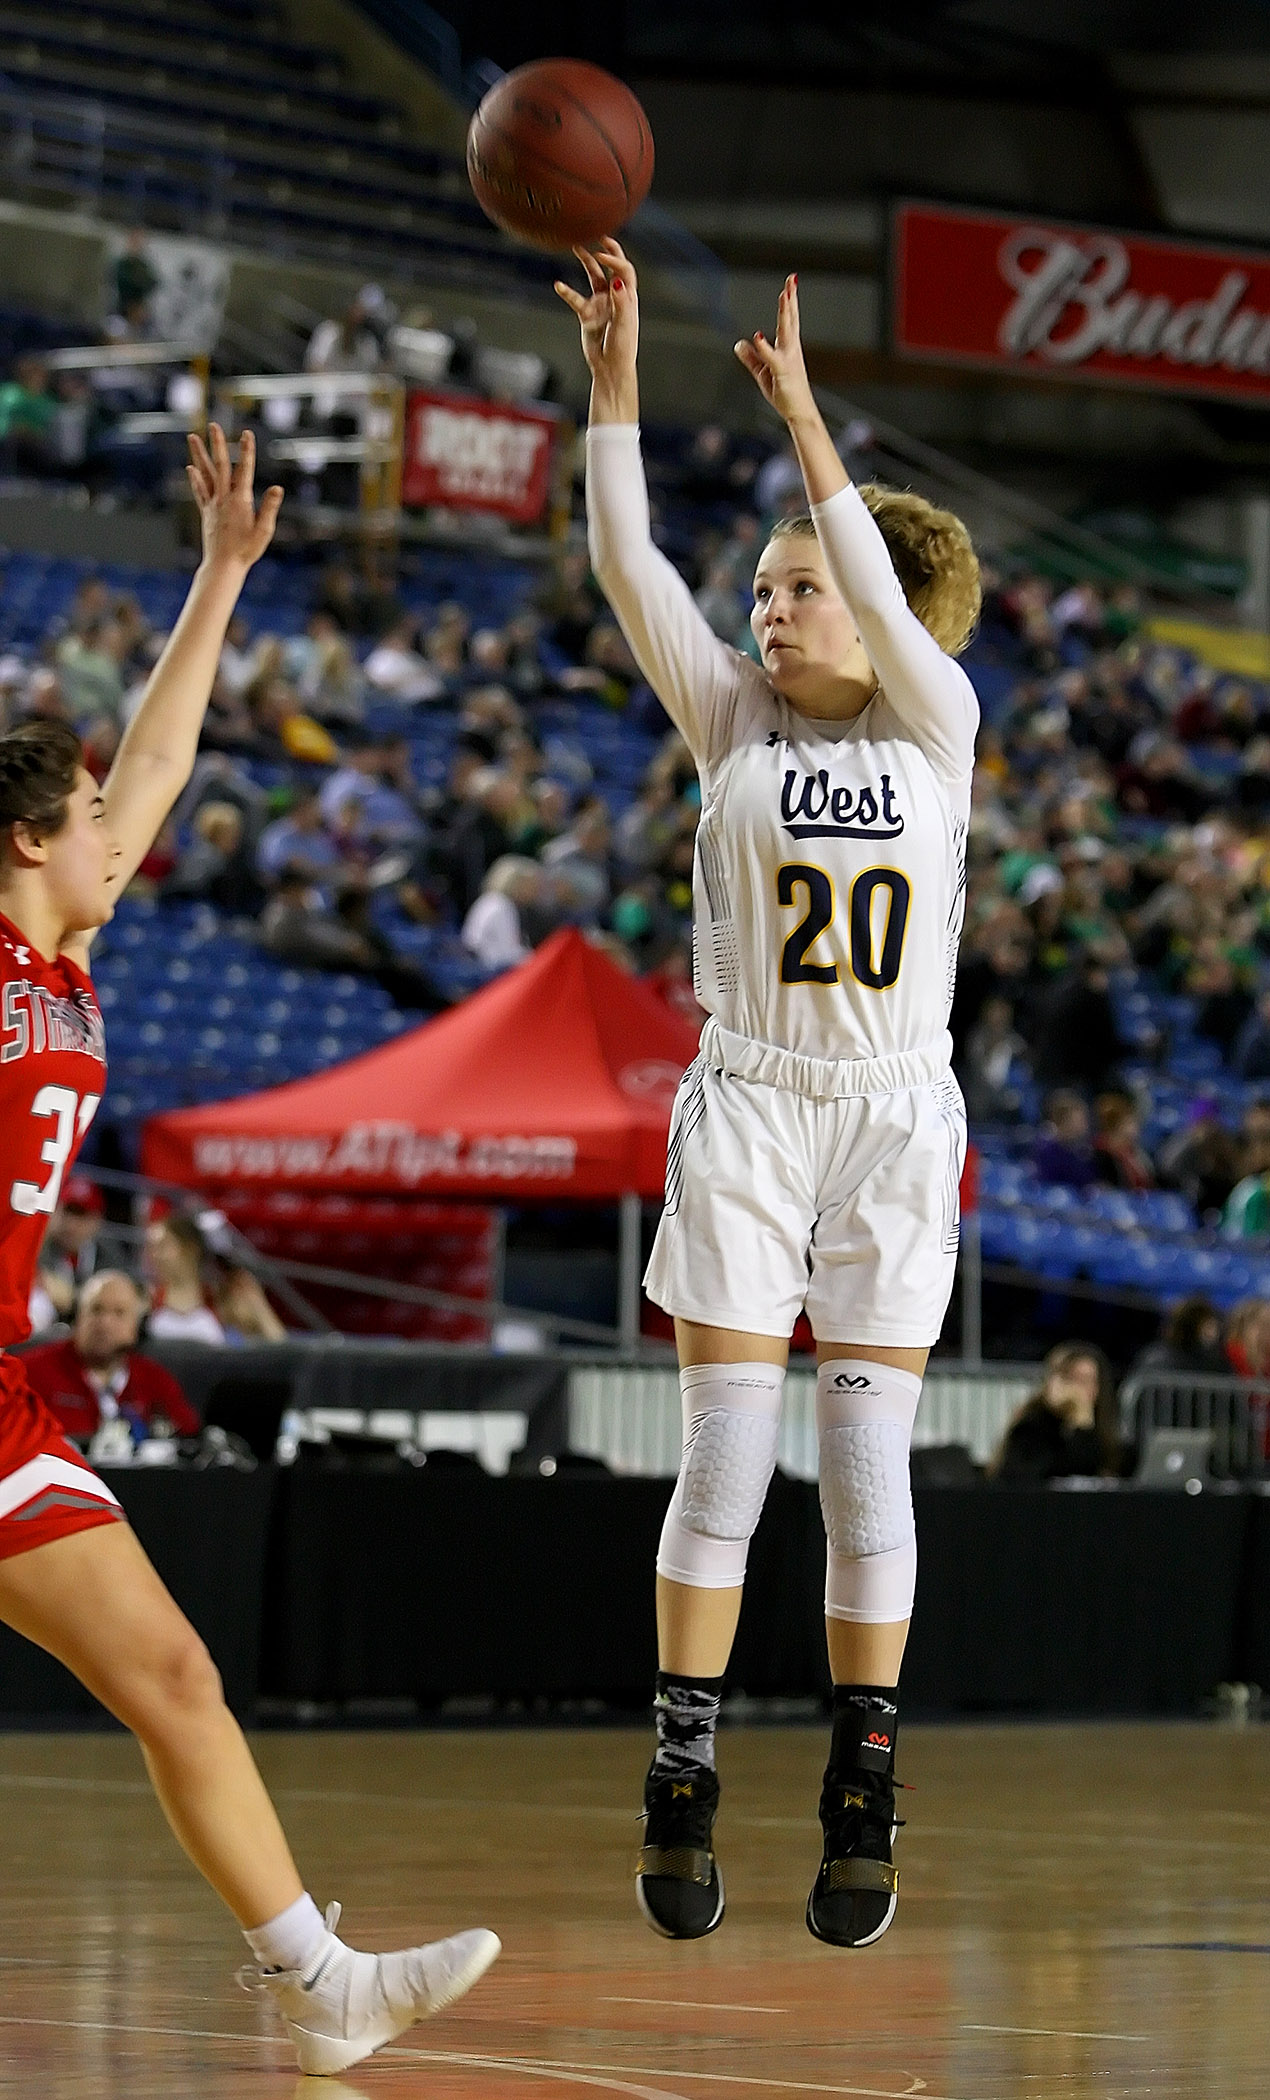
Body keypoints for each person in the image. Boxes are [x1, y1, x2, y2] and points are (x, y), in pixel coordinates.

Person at [0, 424, 497, 2073]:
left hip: (6, 1408)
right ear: (23, 841)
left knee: (176, 1675)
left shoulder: (66, 949)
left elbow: (150, 764)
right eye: (79, 816)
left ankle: (322, 1984)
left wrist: (218, 575)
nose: (114, 831)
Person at [558, 242, 981, 1948]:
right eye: (767, 585)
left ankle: (864, 1784)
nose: (770, 606)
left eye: (800, 587)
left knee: (868, 1472)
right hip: (750, 1100)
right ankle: (682, 1766)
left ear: (874, 612)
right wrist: (615, 388)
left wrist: (813, 426)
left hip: (891, 1114)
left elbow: (882, 594)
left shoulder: (941, 721)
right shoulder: (731, 723)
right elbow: (623, 561)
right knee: (726, 1451)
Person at [21, 1271, 200, 1444]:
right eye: (96, 1309)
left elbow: (189, 1437)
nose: (105, 1323)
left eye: (119, 1313)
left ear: (137, 1325)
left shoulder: (155, 1380)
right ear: (77, 1316)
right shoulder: (32, 1372)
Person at [992, 1343, 1123, 1481]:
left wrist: (1083, 1426)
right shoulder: (1031, 1426)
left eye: (1087, 1380)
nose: (1078, 1389)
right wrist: (1081, 1425)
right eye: (1072, 1379)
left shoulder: (1105, 1430)